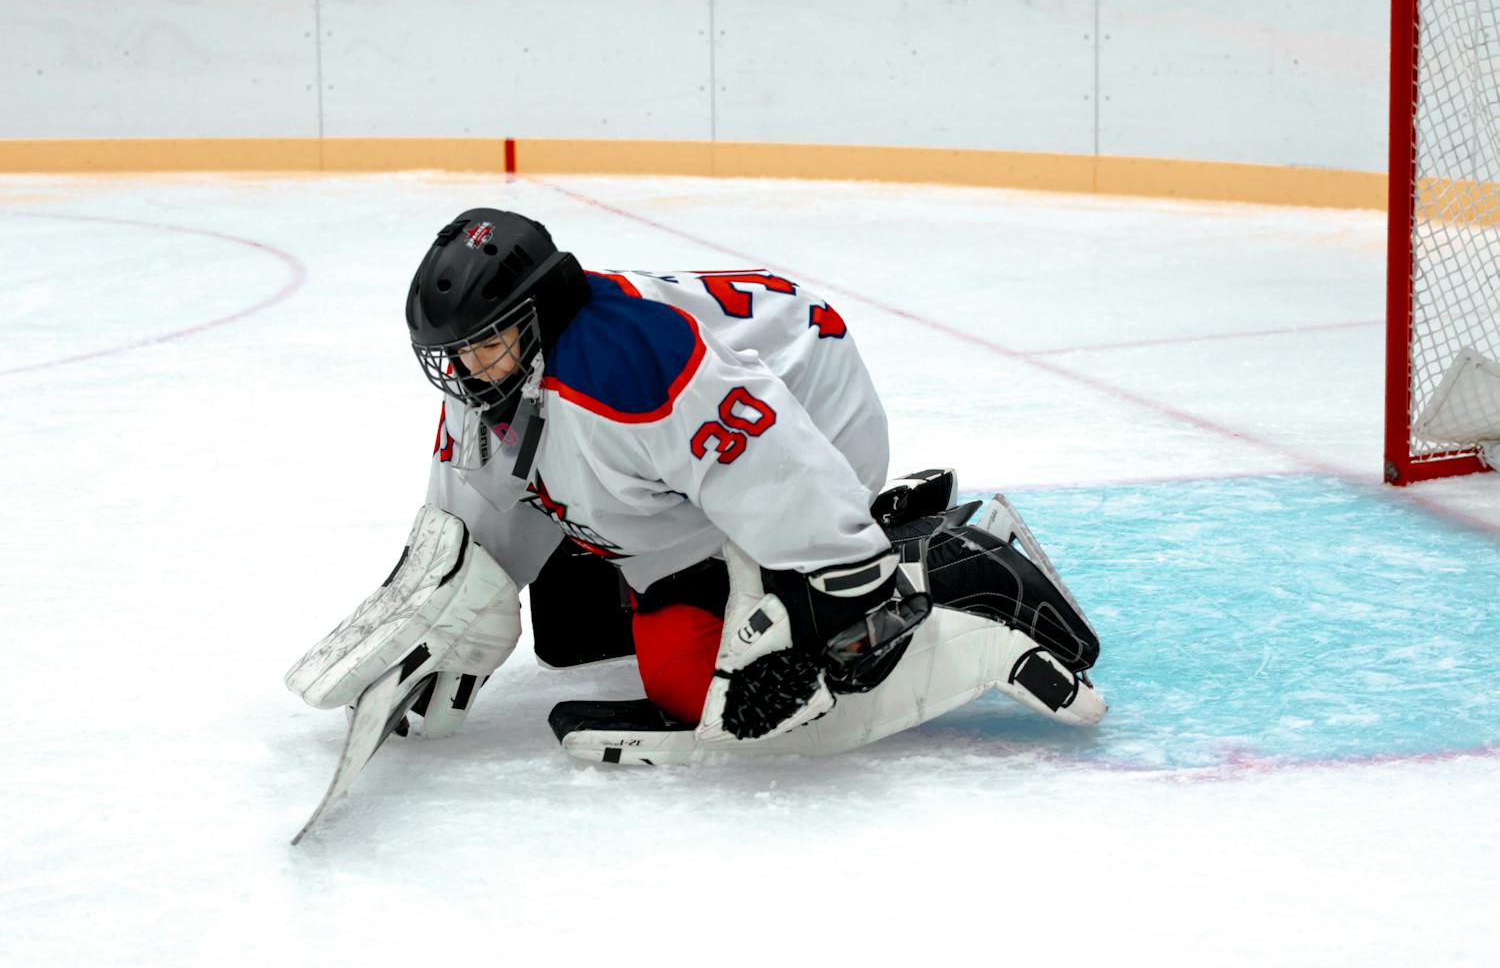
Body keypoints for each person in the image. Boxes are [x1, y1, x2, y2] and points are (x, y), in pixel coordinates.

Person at [287, 211, 1104, 778]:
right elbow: (476, 519)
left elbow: (772, 461)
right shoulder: (505, 368)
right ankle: (883, 532)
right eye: (454, 354)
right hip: (703, 443)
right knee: (571, 631)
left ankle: (951, 562)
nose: (465, 373)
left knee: (695, 684)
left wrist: (854, 592)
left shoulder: (628, 372)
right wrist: (434, 618)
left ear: (535, 316)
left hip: (814, 417)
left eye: (484, 346)